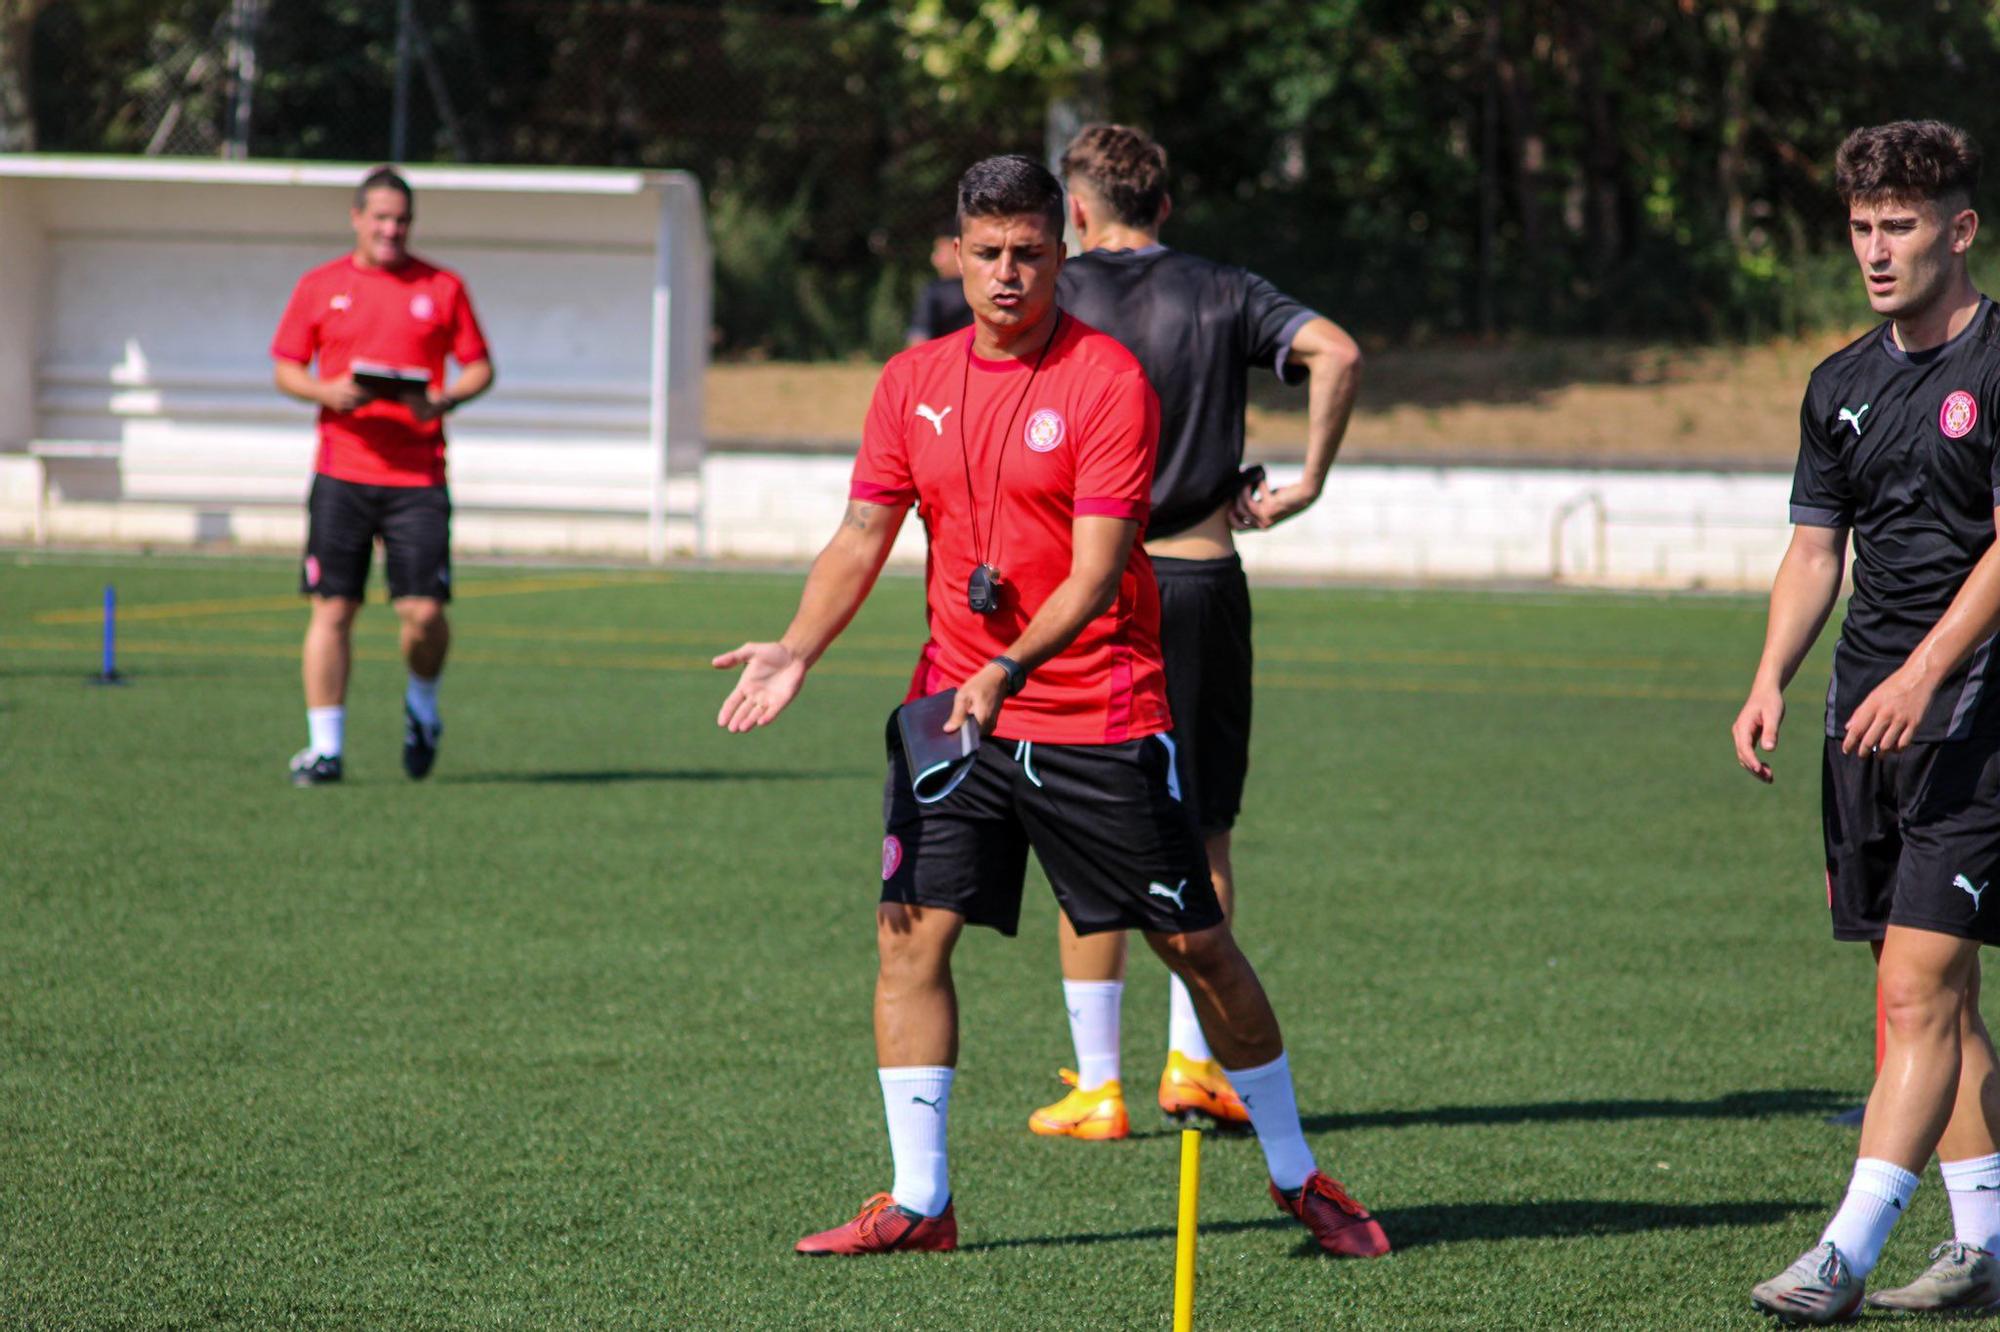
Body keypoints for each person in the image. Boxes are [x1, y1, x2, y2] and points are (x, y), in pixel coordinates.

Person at [714, 154, 1390, 1260]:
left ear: (1062, 251)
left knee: (1195, 945)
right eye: (987, 255)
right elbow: (859, 534)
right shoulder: (908, 381)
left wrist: (1009, 666)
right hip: (952, 715)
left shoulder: (1106, 379)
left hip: (1094, 712)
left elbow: (1095, 570)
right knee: (907, 946)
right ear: (956, 257)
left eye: (1030, 252)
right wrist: (796, 647)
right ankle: (918, 1202)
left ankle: (1293, 1173)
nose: (1008, 275)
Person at [1024, 124, 1363, 1141]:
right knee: (1200, 821)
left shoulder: (1055, 296)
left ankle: (1098, 1086)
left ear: (1074, 213)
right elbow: (1334, 351)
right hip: (1199, 576)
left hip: (1090, 591)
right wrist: (1305, 482)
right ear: (1163, 206)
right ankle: (1190, 1063)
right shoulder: (1223, 287)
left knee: (1081, 823)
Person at [1734, 120, 2000, 1322]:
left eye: (1898, 226)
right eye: (1858, 228)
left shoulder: (1997, 362)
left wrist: (1928, 672)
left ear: (1958, 228)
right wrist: (1767, 678)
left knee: (1914, 993)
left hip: (1978, 723)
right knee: (1916, 996)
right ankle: (1984, 1242)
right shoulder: (1836, 383)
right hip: (1867, 725)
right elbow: (1810, 549)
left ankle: (1842, 1251)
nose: (1875, 251)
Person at [271, 166, 494, 787]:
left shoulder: (443, 287)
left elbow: (479, 367)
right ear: (357, 218)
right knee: (332, 609)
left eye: (401, 220)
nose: (391, 229)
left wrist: (441, 401)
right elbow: (286, 365)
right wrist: (325, 390)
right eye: (381, 218)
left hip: (418, 477)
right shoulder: (320, 286)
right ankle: (325, 748)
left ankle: (422, 708)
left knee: (422, 614)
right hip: (341, 472)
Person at [905, 219, 974, 346]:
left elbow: (918, 343)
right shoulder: (988, 288)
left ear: (958, 249)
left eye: (939, 251)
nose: (934, 260)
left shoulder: (935, 291)